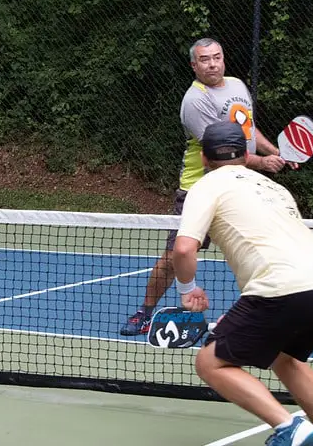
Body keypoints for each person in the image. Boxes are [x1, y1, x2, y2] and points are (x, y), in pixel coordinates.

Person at [173, 121, 313, 446]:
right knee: (284, 357)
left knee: (211, 364)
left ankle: (288, 427)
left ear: (203, 157)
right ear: (246, 154)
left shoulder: (206, 185)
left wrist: (187, 289)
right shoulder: (274, 188)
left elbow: (184, 248)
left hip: (279, 285)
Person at [119, 37, 288, 335]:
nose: (212, 64)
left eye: (217, 57)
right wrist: (263, 164)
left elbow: (246, 128)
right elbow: (222, 151)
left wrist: (272, 151)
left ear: (224, 58)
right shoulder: (195, 101)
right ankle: (144, 312)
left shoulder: (236, 85)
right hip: (200, 189)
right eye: (205, 59)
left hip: (239, 186)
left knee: (255, 250)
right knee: (174, 257)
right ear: (193, 65)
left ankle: (258, 315)